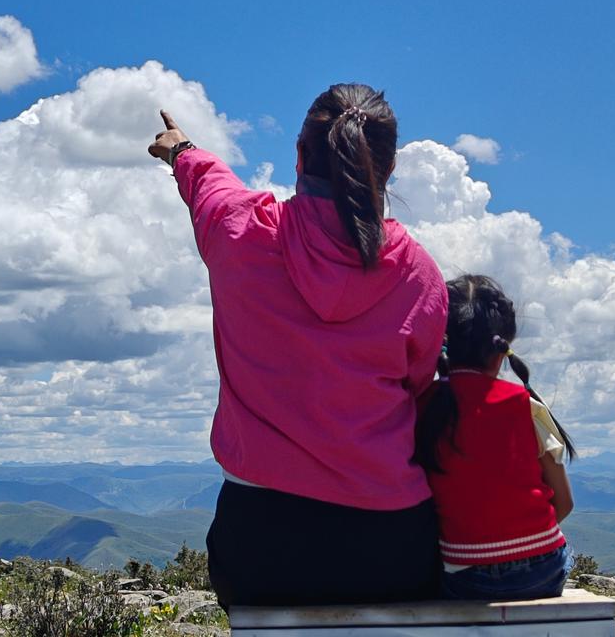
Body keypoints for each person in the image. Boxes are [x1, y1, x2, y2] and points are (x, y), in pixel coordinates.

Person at [148, 83, 447, 606]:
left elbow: (209, 185)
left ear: (300, 154)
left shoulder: (240, 233)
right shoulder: (418, 275)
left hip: (261, 547)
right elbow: (419, 389)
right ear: (390, 168)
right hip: (390, 546)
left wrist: (180, 149)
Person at [415, 274, 576, 601]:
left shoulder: (422, 407)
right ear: (502, 350)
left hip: (465, 579)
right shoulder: (524, 407)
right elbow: (564, 502)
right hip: (544, 572)